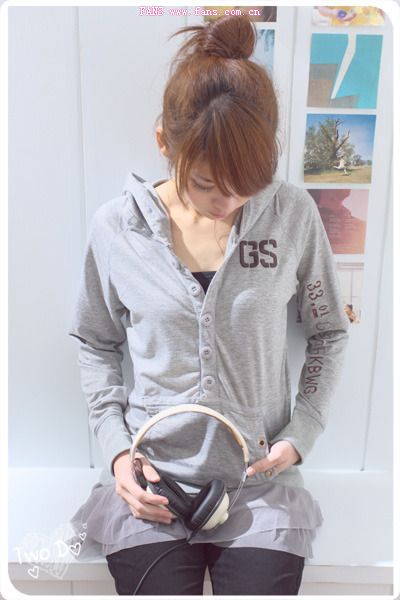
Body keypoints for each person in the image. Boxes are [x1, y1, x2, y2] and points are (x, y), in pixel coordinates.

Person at [67, 14, 350, 595]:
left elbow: (328, 331)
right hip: (152, 485)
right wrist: (118, 453)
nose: (228, 201)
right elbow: (95, 342)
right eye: (206, 184)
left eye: (246, 183)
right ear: (163, 143)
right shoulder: (116, 228)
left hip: (259, 487)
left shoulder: (292, 214)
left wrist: (302, 431)